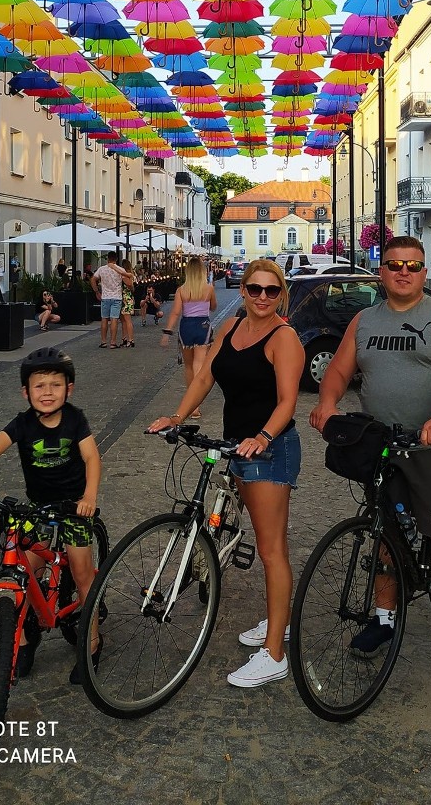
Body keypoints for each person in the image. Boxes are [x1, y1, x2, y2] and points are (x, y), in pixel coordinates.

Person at [310, 235, 431, 685]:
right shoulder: (365, 320)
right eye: (394, 265)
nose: (403, 271)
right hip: (381, 444)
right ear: (382, 272)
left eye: (413, 265)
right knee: (384, 532)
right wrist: (327, 404)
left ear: (424, 272)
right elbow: (338, 371)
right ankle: (384, 618)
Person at [148, 258, 304, 690]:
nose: (261, 298)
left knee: (272, 550)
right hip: (237, 446)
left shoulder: (284, 338)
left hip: (270, 450)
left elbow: (288, 401)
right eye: (254, 289)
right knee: (264, 539)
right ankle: (279, 620)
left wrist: (264, 436)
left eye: (271, 291)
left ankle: (274, 652)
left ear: (281, 295)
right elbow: (204, 376)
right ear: (243, 289)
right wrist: (178, 415)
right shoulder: (233, 327)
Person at [0, 347, 101, 684]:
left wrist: (88, 497)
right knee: (14, 572)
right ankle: (22, 643)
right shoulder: (23, 424)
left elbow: (91, 459)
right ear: (25, 392)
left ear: (68, 389)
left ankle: (93, 643)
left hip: (72, 507)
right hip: (38, 507)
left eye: (55, 385)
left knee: (84, 572)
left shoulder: (75, 419)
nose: (47, 393)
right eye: (38, 386)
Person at [161, 256, 217, 412]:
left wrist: (167, 332)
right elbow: (213, 307)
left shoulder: (181, 290)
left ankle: (192, 404)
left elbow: (175, 313)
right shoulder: (209, 288)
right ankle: (196, 404)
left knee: (188, 366)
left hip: (186, 326)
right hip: (203, 326)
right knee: (199, 363)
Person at [92, 251, 128, 349]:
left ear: (107, 258)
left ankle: (103, 341)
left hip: (105, 297)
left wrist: (96, 292)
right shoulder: (120, 270)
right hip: (116, 297)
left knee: (104, 319)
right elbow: (127, 281)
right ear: (116, 259)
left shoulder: (101, 269)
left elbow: (93, 279)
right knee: (114, 319)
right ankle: (113, 342)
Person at [118, 259, 136, 347]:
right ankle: (125, 338)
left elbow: (130, 285)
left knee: (127, 320)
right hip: (125, 298)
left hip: (126, 298)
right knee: (123, 320)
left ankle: (130, 339)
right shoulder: (130, 275)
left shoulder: (125, 276)